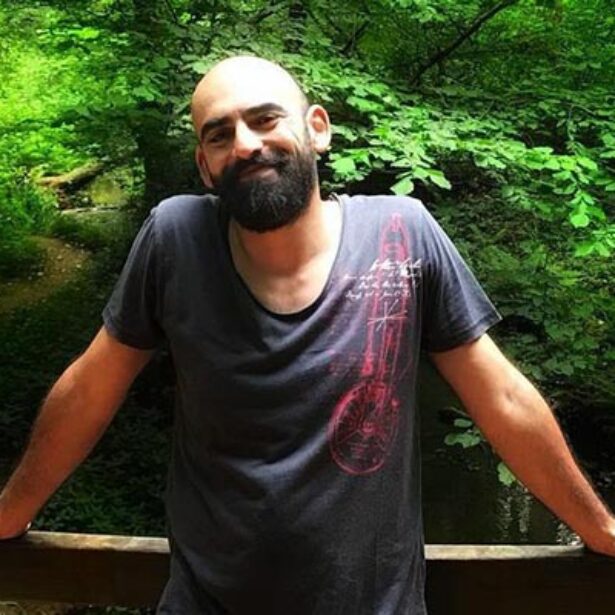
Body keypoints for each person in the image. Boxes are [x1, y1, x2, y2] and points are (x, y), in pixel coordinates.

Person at [0, 55, 614, 614]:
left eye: (265, 119)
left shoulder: (402, 236)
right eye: (219, 134)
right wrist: (10, 513)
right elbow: (91, 389)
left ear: (317, 129)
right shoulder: (175, 239)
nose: (246, 144)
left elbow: (501, 399)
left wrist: (601, 529)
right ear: (205, 166)